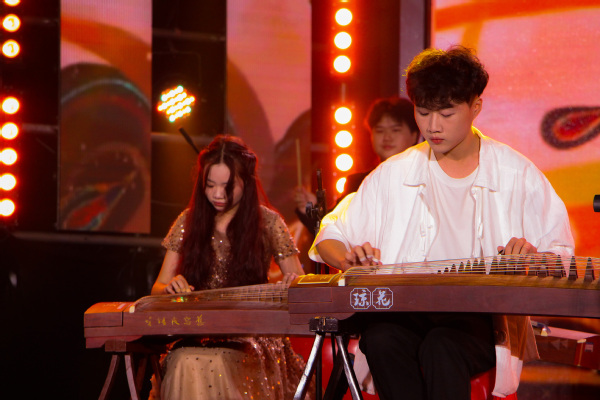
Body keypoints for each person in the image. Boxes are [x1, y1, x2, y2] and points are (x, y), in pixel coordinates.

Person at [309, 45, 574, 400]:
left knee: (442, 345)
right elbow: (331, 233)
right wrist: (348, 259)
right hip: (407, 312)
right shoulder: (394, 173)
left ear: (475, 107)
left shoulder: (516, 173)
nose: (433, 126)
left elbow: (561, 252)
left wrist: (531, 257)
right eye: (423, 112)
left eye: (447, 113)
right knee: (381, 338)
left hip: (478, 321)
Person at [148, 135, 309, 400]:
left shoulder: (268, 222)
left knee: (217, 361)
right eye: (210, 185)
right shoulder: (188, 222)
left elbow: (301, 283)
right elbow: (157, 288)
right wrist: (170, 289)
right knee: (182, 360)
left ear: (247, 182)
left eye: (227, 186)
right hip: (199, 332)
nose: (218, 194)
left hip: (252, 336)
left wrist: (291, 286)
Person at [294, 96, 420, 232]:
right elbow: (333, 229)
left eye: (395, 130)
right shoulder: (358, 183)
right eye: (380, 131)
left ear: (414, 135)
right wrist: (311, 208)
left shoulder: (426, 178)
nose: (387, 137)